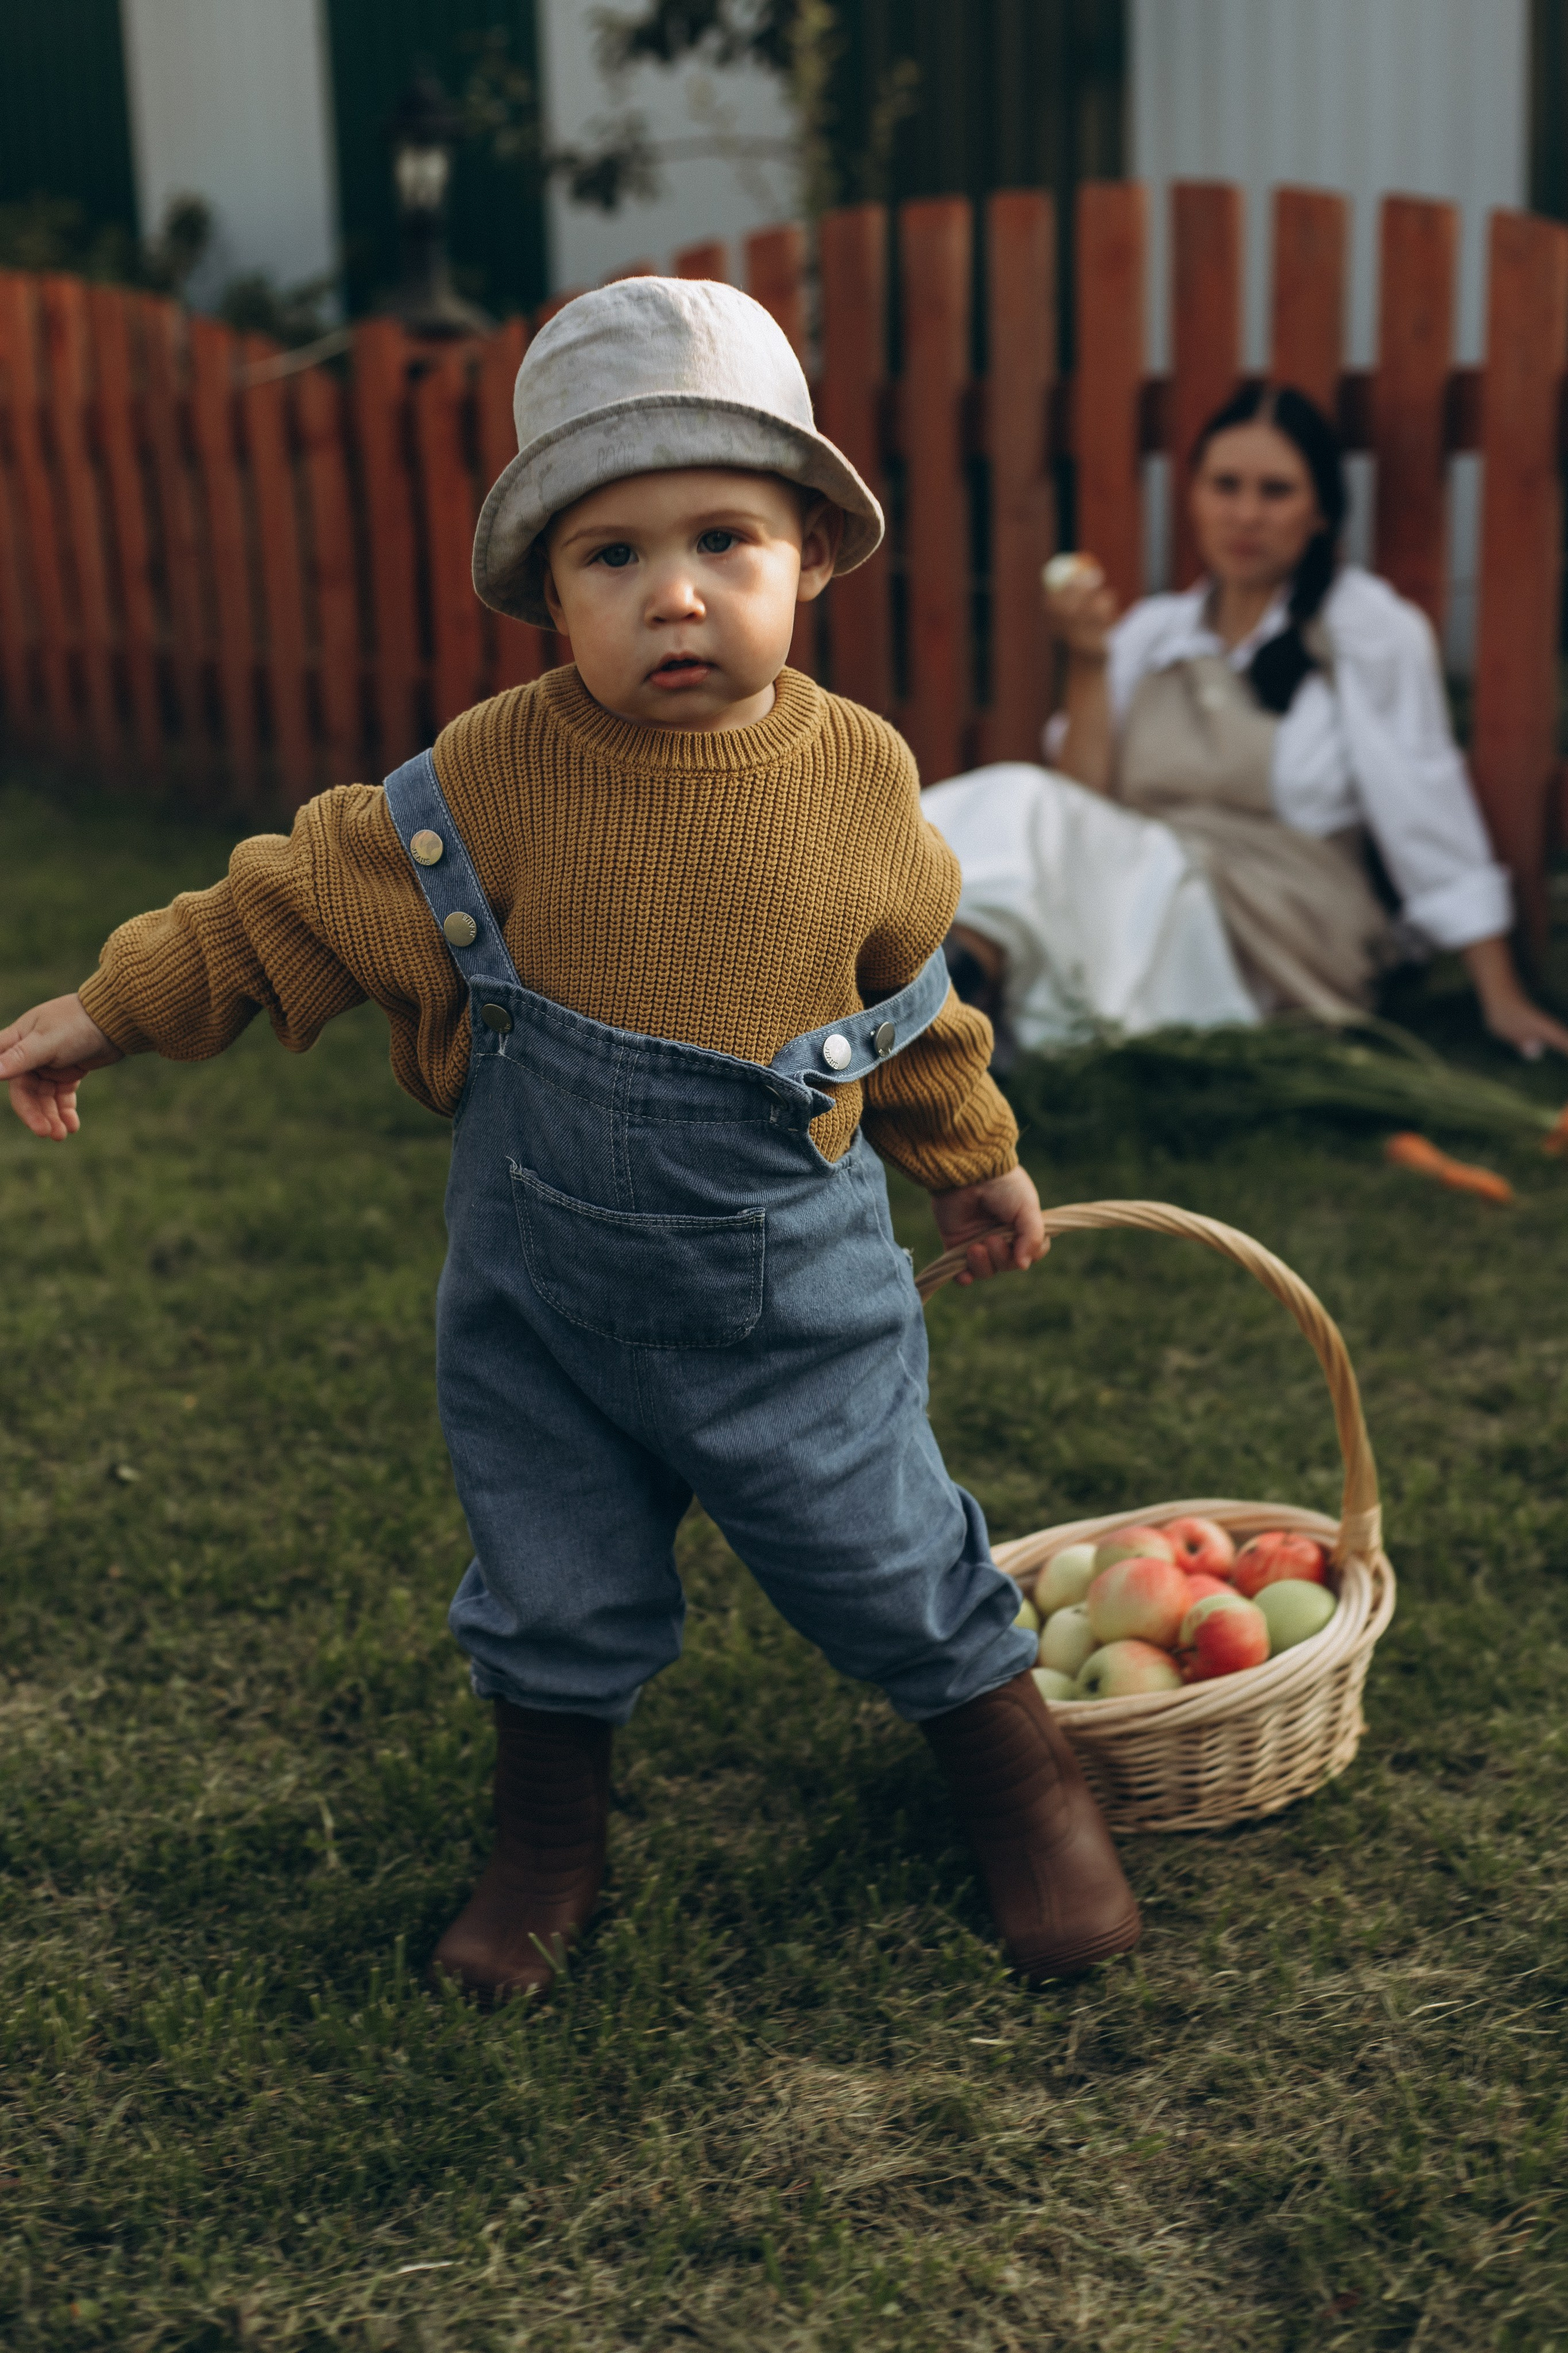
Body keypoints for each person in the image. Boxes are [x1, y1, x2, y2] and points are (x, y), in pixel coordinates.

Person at [0, 279, 1142, 2003]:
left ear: (813, 554)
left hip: (793, 1305)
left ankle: (1018, 1777)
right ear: (547, 592)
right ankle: (549, 1831)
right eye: (611, 558)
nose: (674, 594)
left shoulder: (859, 778)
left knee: (893, 1553)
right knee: (549, 1576)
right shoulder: (492, 779)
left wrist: (972, 1154)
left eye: (724, 542)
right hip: (546, 1302)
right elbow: (287, 906)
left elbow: (908, 1003)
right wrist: (108, 1007)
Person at [928, 382, 1568, 1060]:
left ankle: (930, 1007)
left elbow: (1424, 807)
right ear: (1194, 496)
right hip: (1148, 897)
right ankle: (942, 1015)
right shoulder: (1153, 634)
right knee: (1032, 812)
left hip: (1279, 933)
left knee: (1021, 802)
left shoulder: (1364, 629)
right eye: (1225, 486)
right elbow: (1080, 807)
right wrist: (1089, 663)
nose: (1245, 514)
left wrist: (1500, 995)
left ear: (1321, 510)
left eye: (1275, 491)